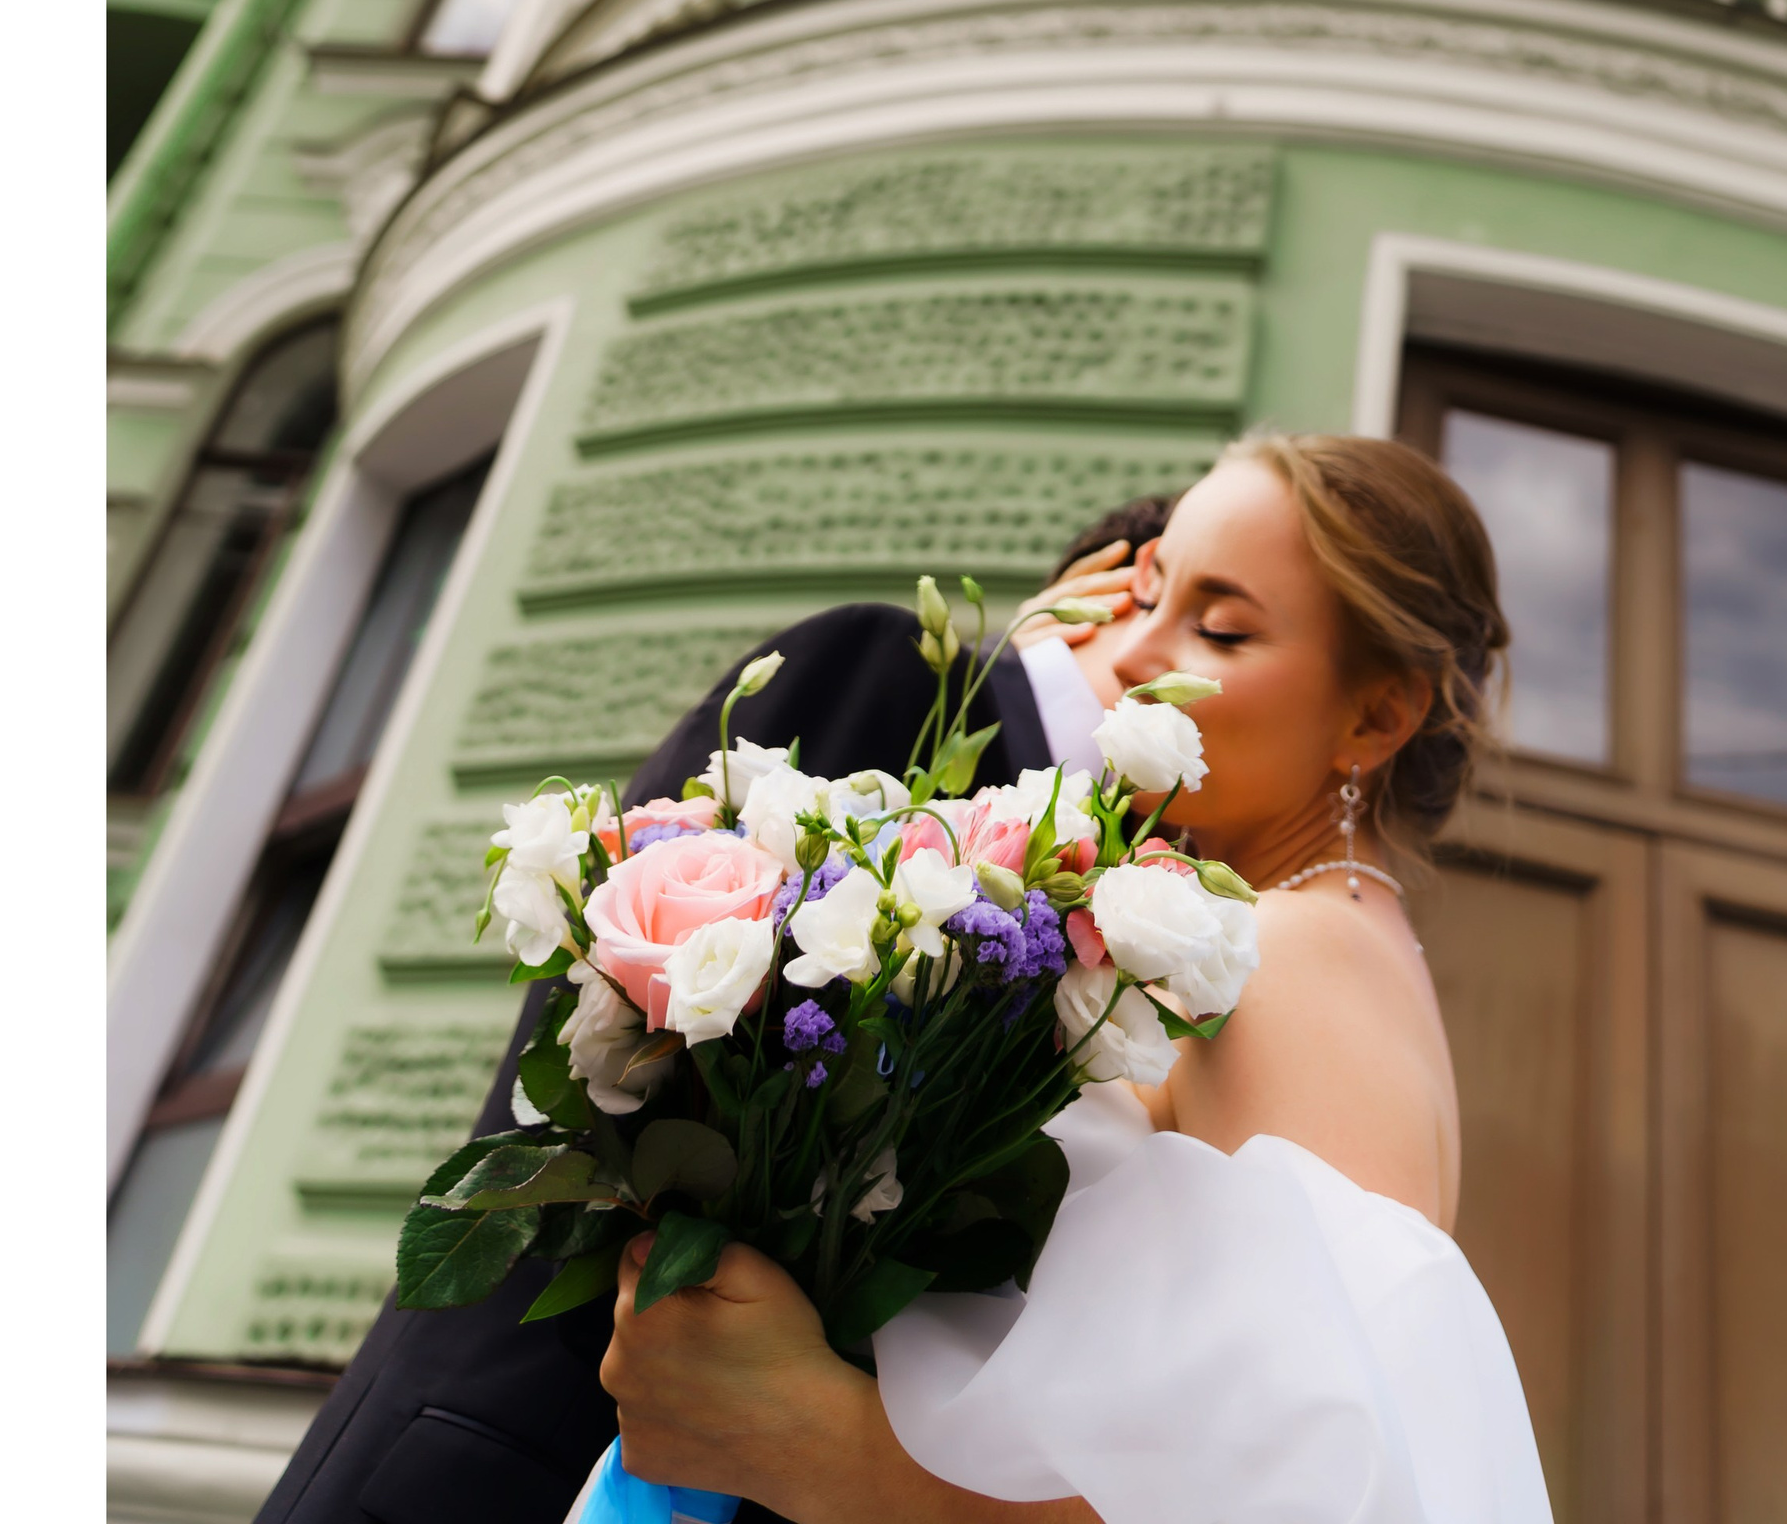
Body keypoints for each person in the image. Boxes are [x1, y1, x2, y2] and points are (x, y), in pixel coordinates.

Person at [594, 432, 1548, 1524]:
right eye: (1146, 595)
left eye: (1219, 625)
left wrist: (829, 1449)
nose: (1139, 653)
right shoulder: (1295, 943)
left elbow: (1302, 1494)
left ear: (1376, 715)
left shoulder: (1294, 955)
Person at [257, 509, 1170, 1524]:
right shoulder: (899, 674)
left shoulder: (1118, 887)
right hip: (525, 1445)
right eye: (1210, 613)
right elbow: (646, 1054)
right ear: (1118, 582)